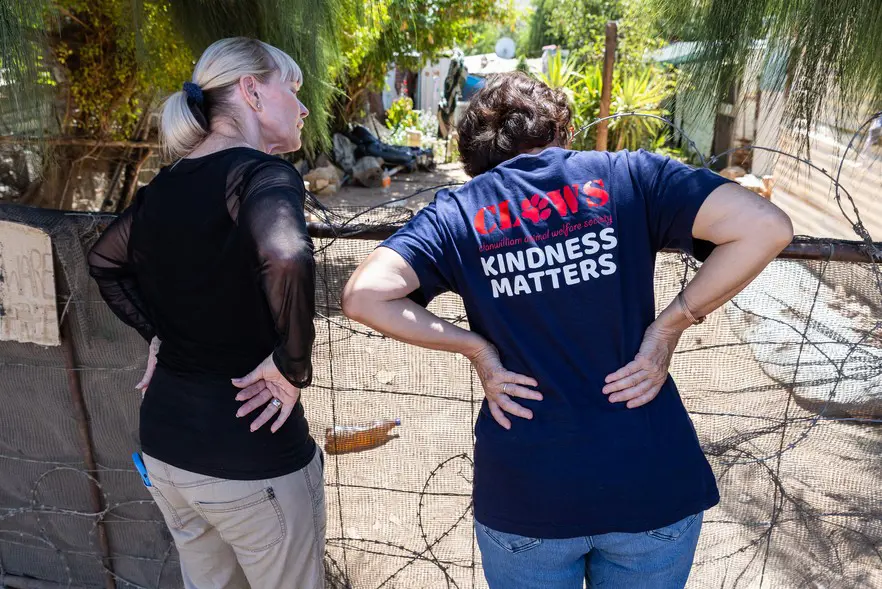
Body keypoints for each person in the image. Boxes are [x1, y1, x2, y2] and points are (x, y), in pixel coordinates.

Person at [341, 72, 793, 589]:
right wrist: (669, 327)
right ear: (561, 129)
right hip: (647, 479)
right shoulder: (630, 176)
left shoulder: (458, 213)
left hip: (528, 489)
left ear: (474, 153)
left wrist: (476, 349)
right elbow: (766, 226)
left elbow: (363, 295)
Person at [88, 37, 324, 589]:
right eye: (293, 89)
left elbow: (104, 261)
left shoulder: (162, 187)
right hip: (251, 456)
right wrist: (293, 368)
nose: (304, 107)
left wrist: (158, 335)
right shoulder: (259, 175)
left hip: (170, 454)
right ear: (251, 92)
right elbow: (286, 256)